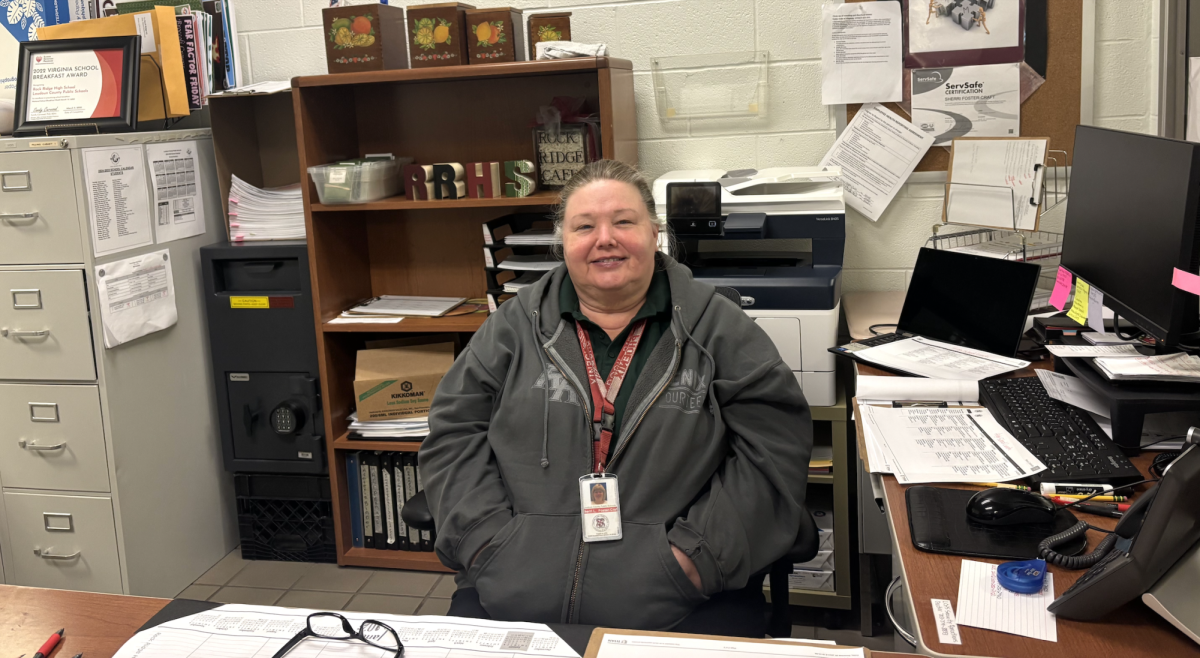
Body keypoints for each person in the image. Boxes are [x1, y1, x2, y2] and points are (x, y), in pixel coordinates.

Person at [419, 159, 812, 635]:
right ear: (563, 242)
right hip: (512, 594)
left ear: (654, 234)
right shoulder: (511, 328)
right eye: (585, 226)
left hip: (677, 602)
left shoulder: (717, 329)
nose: (605, 238)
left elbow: (772, 452)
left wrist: (694, 559)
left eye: (623, 222)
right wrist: (483, 542)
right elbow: (454, 434)